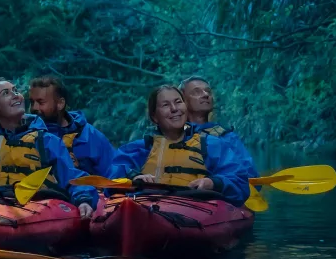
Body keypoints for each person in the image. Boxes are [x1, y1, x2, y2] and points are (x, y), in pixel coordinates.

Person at [0, 78, 99, 218]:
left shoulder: (48, 141)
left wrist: (83, 200)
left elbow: (72, 177)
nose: (16, 95)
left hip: (41, 206)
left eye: (16, 91)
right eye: (6, 93)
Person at [106, 85, 251, 207]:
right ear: (154, 117)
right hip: (148, 205)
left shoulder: (211, 144)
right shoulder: (139, 149)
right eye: (165, 105)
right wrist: (135, 176)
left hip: (196, 207)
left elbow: (239, 180)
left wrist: (213, 182)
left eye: (178, 102)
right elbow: (113, 173)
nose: (174, 109)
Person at [28, 75, 116, 176]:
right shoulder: (27, 135)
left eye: (40, 102)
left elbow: (113, 171)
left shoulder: (89, 135)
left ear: (60, 103)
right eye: (32, 102)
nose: (33, 108)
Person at [179, 75, 259, 182]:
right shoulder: (173, 133)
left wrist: (214, 183)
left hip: (216, 192)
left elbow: (250, 175)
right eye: (197, 92)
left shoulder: (227, 137)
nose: (206, 95)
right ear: (182, 101)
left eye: (208, 91)